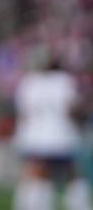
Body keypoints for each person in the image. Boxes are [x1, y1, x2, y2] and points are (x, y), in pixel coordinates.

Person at [12, 55, 91, 210]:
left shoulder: (29, 81)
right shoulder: (64, 80)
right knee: (71, 174)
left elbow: (23, 112)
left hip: (35, 136)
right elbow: (71, 109)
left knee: (36, 174)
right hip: (61, 135)